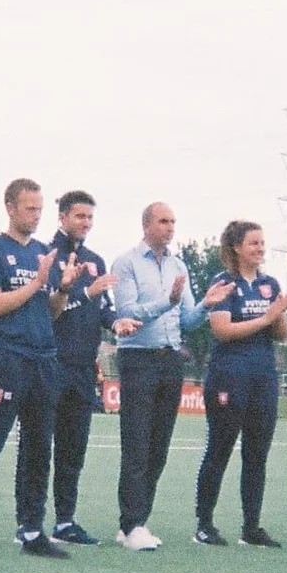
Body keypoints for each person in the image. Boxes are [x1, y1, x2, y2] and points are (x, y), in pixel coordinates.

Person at [0, 177, 76, 559]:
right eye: (30, 208)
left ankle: (31, 530)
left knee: (39, 449)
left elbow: (51, 312)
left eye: (40, 209)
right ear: (10, 207)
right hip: (6, 357)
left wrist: (62, 288)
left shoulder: (44, 252)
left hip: (43, 359)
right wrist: (37, 282)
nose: (36, 216)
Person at [106, 201, 210, 550]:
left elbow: (187, 320)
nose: (170, 227)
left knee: (159, 447)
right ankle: (132, 523)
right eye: (164, 221)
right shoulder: (127, 262)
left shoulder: (179, 265)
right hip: (138, 358)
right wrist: (168, 300)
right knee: (136, 443)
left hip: (170, 360)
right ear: (146, 225)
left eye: (173, 221)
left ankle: (137, 521)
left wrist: (207, 304)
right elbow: (127, 312)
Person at [192, 220, 286, 547]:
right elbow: (223, 330)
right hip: (229, 377)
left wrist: (279, 314)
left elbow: (282, 334)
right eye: (253, 243)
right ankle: (204, 524)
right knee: (219, 450)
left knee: (257, 454)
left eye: (262, 243)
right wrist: (265, 318)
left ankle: (251, 527)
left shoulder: (270, 284)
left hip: (263, 378)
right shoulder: (223, 283)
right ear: (237, 248)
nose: (260, 248)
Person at [46, 190, 118, 545]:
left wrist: (117, 323)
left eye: (90, 217)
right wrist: (86, 293)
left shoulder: (95, 261)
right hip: (50, 364)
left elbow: (103, 308)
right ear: (62, 217)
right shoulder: (46, 256)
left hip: (82, 369)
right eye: (79, 216)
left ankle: (65, 521)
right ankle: (28, 522)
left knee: (73, 450)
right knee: (38, 447)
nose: (86, 223)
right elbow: (50, 308)